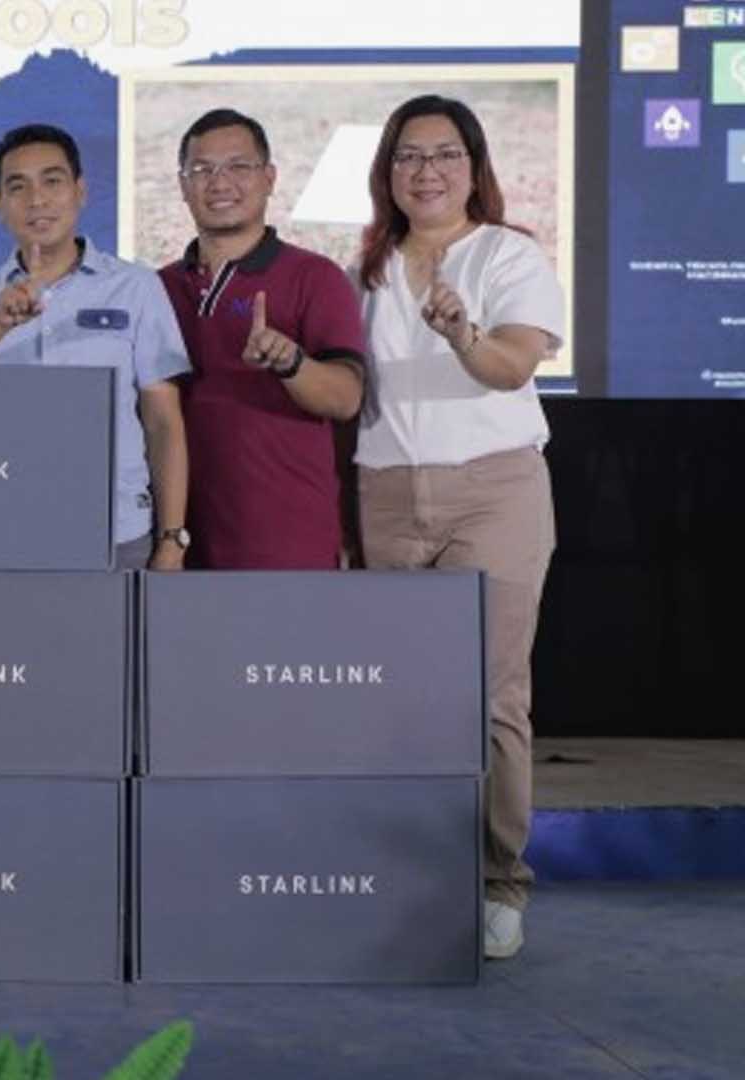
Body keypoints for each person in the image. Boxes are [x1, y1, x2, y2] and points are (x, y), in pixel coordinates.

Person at [352, 94, 564, 961]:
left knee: (492, 694)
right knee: (403, 695)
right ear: (388, 172)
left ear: (474, 168)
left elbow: (511, 366)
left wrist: (461, 334)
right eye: (409, 155)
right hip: (386, 494)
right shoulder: (363, 271)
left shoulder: (507, 254)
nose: (426, 171)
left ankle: (498, 882)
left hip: (494, 491)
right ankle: (412, 877)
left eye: (445, 154)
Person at [0, 124, 189, 571]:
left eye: (52, 181)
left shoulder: (137, 288)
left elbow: (163, 422)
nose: (37, 200)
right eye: (18, 187)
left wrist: (171, 540)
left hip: (116, 532)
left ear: (80, 191)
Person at [156, 108, 367, 570]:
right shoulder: (157, 288)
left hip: (287, 543)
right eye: (202, 169)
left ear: (269, 178)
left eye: (238, 166)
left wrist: (291, 362)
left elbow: (346, 398)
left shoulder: (315, 277)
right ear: (183, 186)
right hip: (181, 546)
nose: (220, 182)